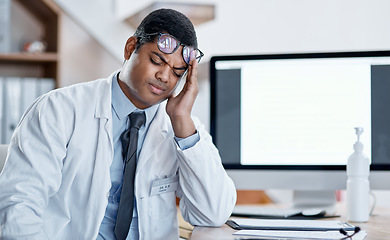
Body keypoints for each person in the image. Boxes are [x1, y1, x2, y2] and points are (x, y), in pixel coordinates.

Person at [0, 8, 237, 240]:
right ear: (130, 48)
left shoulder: (182, 127)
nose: (165, 77)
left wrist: (182, 123)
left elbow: (212, 214)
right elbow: (19, 207)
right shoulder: (58, 109)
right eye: (157, 61)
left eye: (177, 72)